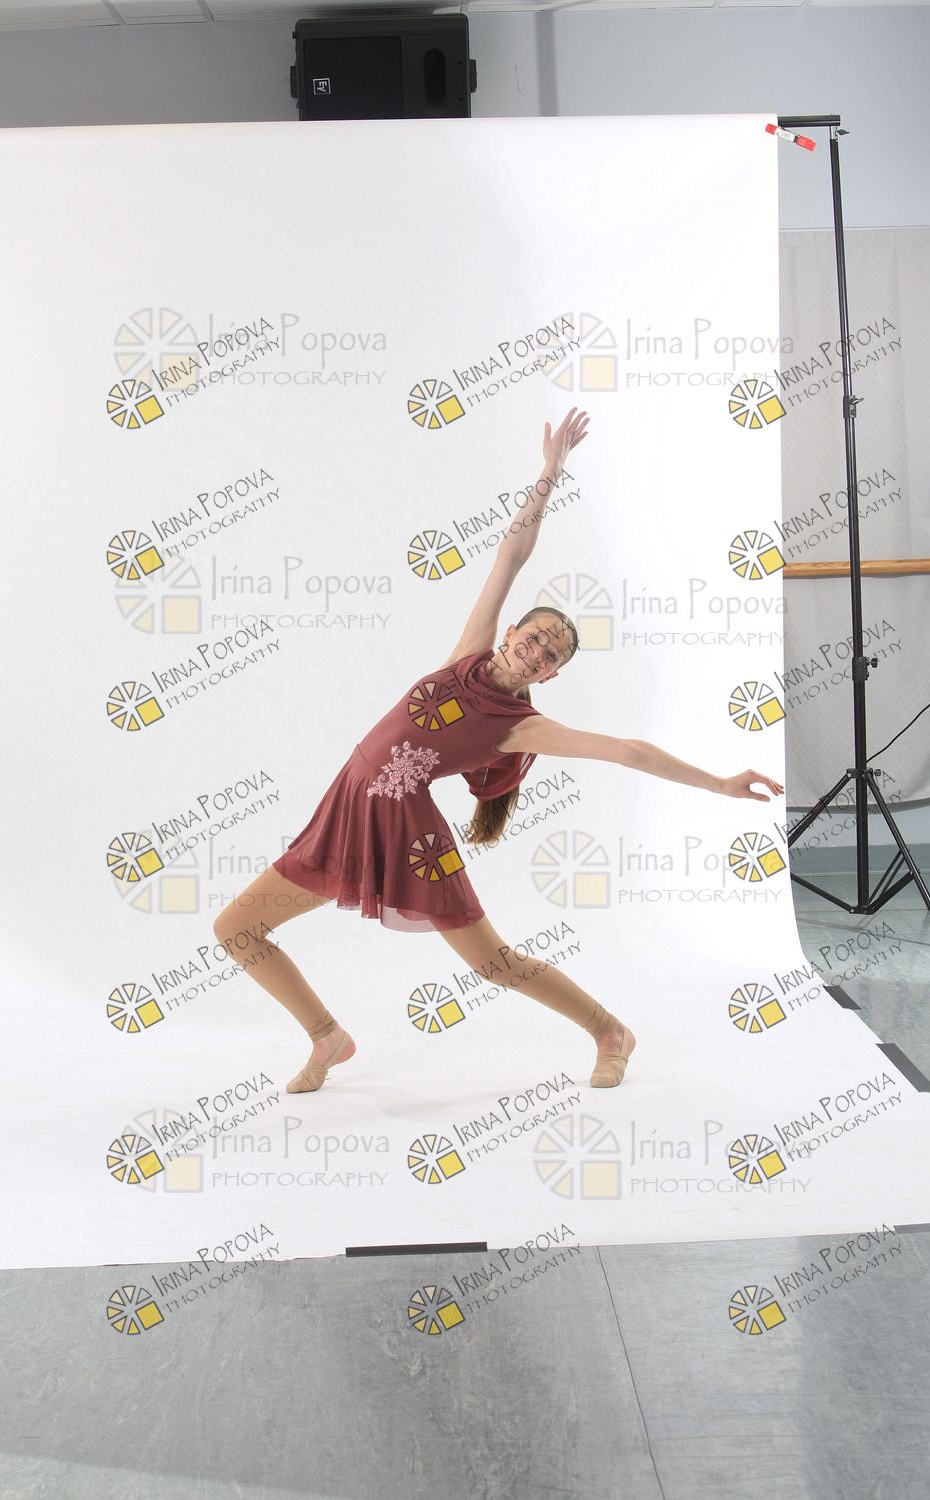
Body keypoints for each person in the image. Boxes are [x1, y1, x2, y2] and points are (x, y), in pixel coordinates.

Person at [213, 408, 783, 1094]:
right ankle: (327, 1037)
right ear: (512, 632)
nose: (538, 651)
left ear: (552, 674)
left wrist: (719, 783)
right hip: (344, 815)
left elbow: (630, 752)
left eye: (552, 655)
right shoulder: (468, 654)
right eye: (535, 637)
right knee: (236, 928)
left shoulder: (519, 726)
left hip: (411, 838)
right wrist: (550, 473)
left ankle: (610, 1031)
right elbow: (511, 554)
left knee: (492, 964)